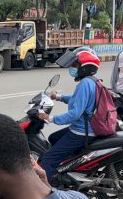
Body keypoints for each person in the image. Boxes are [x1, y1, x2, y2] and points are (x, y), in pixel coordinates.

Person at [37, 47, 100, 183]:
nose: (72, 67)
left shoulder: (85, 83)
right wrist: (58, 97)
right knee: (54, 138)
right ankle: (69, 168)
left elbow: (75, 114)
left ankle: (47, 194)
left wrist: (51, 118)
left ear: (85, 67)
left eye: (76, 65)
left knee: (48, 159)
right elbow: (78, 99)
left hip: (81, 132)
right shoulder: (91, 81)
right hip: (85, 128)